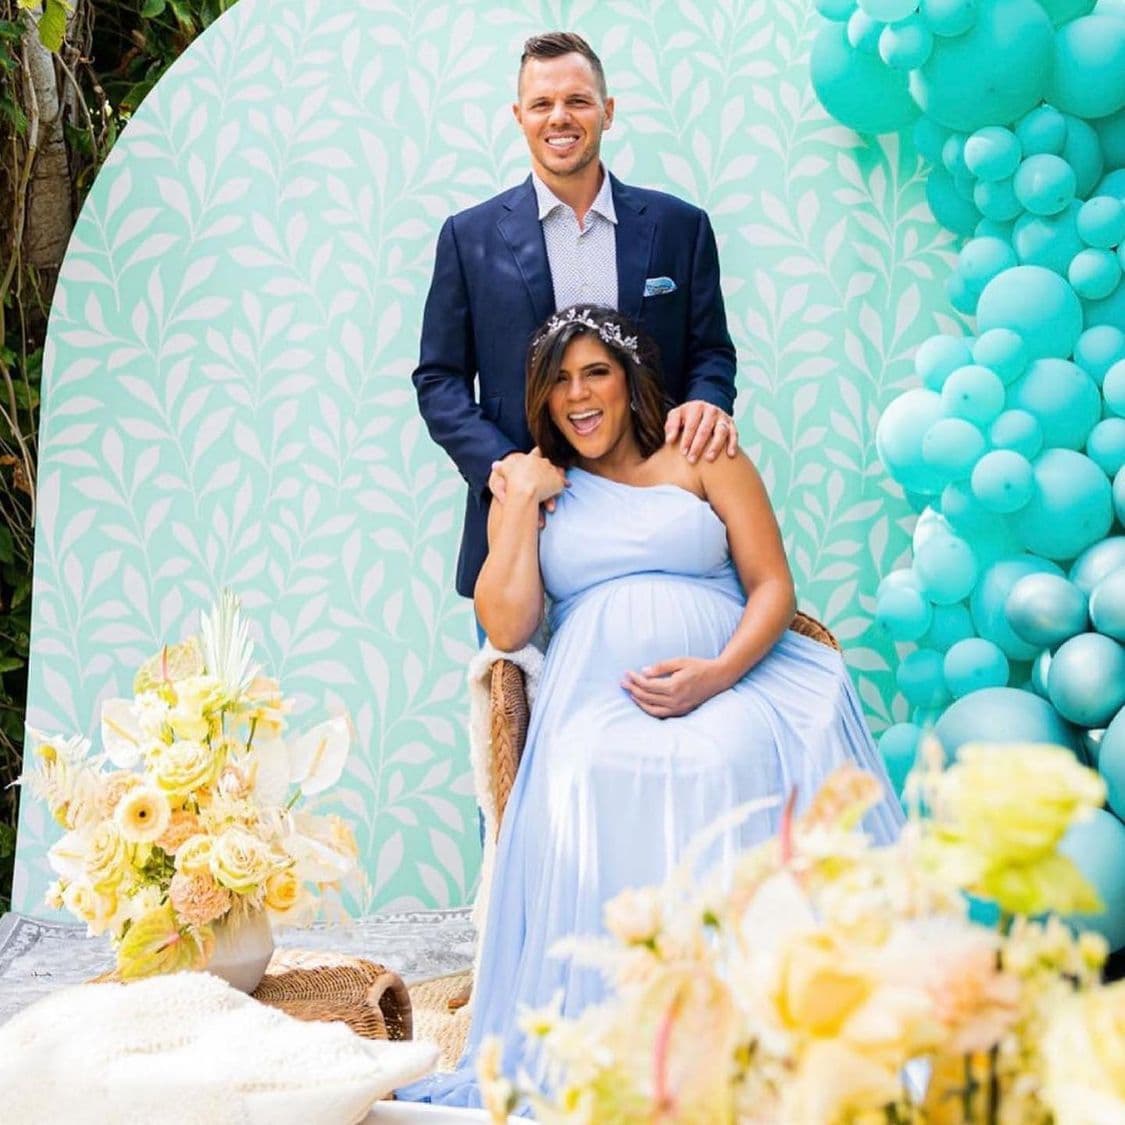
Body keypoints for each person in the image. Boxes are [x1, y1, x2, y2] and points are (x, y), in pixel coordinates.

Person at [395, 307, 904, 1109]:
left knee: (726, 757)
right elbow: (506, 623)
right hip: (595, 697)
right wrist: (521, 501)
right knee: (593, 769)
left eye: (595, 371)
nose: (578, 394)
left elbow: (773, 585)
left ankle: (741, 1025)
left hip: (734, 676)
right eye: (558, 380)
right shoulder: (533, 485)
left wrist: (715, 674)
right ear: (540, 398)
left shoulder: (701, 454)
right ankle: (630, 1030)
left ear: (629, 379)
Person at [414, 31, 739, 601]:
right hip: (528, 524)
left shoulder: (681, 228)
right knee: (516, 690)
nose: (559, 117)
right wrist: (506, 469)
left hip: (658, 516)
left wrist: (707, 404)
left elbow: (711, 350)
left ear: (607, 112)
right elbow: (438, 379)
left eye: (578, 101)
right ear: (519, 116)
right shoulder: (468, 238)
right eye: (542, 104)